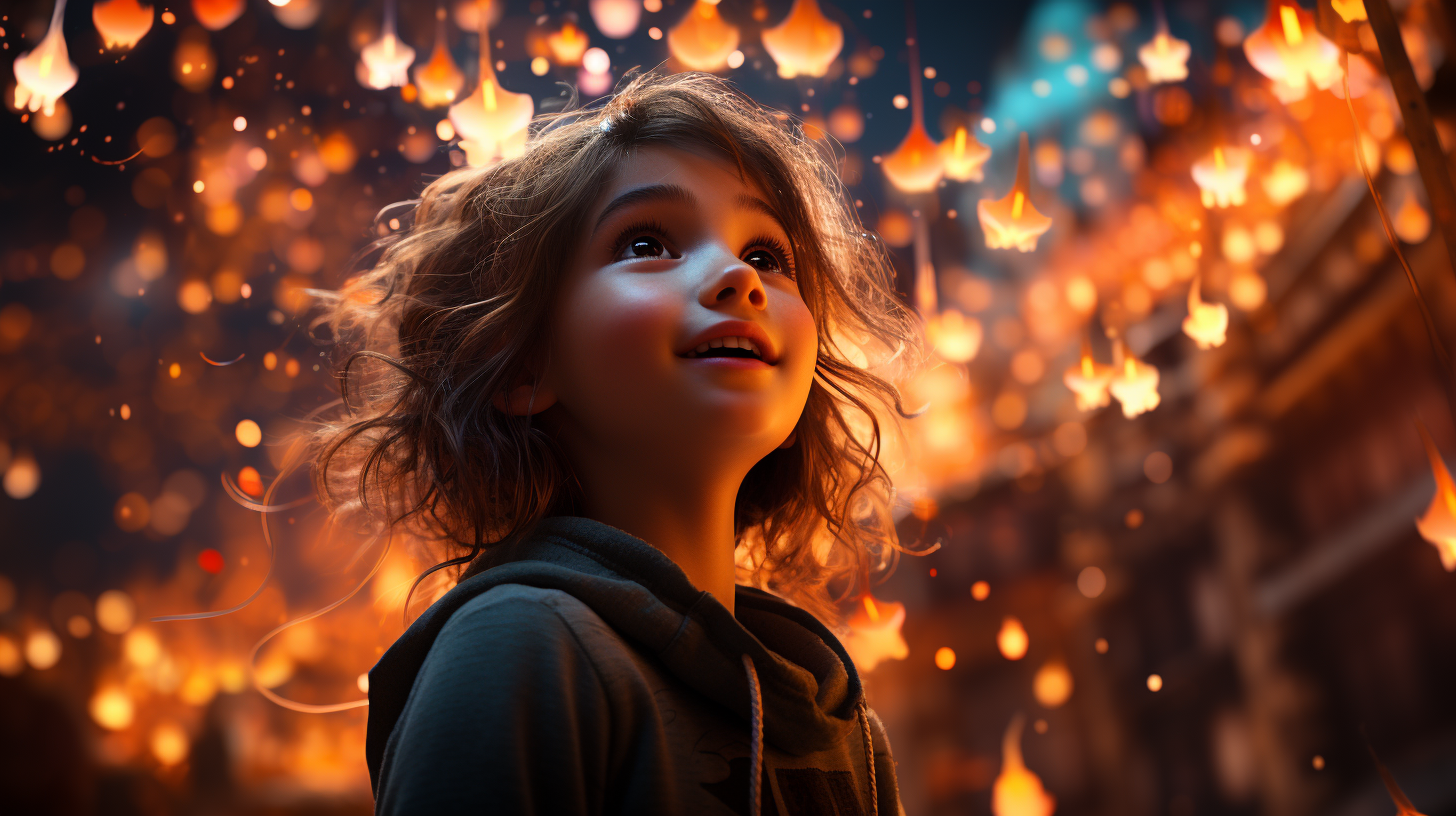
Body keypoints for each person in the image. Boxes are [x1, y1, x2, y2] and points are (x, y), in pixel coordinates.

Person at [311, 70, 926, 816]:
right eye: (647, 242)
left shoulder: (845, 723)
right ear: (525, 363)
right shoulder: (516, 650)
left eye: (766, 254)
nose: (738, 276)